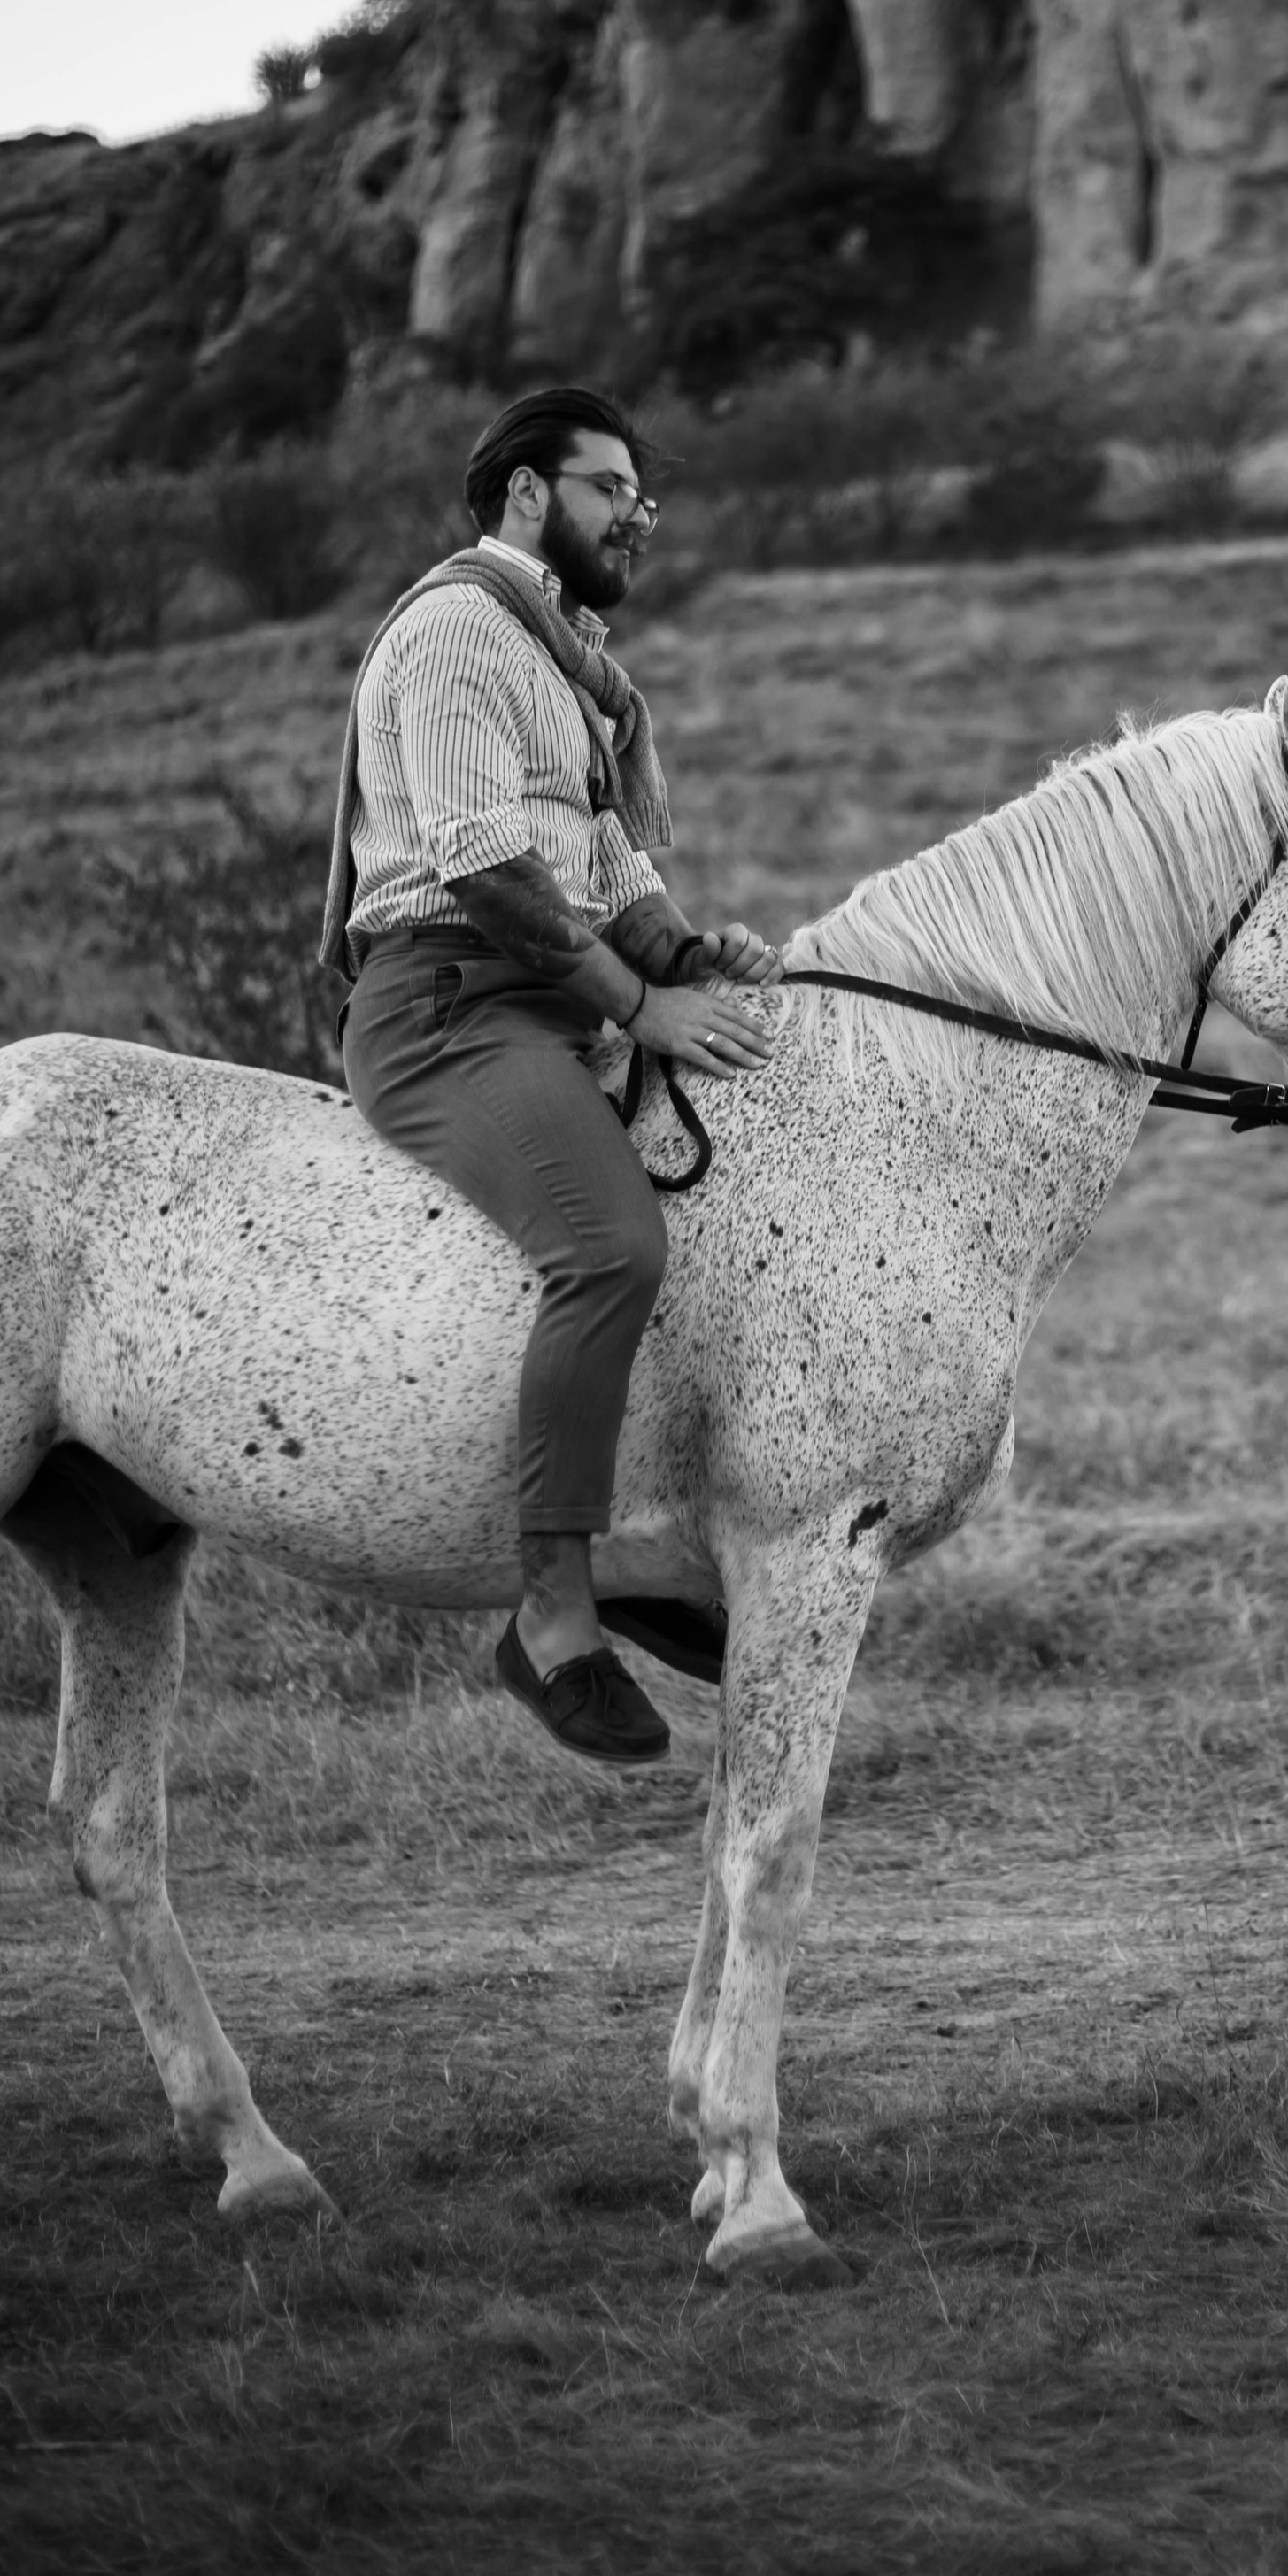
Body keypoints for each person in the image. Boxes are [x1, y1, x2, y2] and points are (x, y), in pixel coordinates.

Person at [320, 382, 783, 1765]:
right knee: (609, 1247)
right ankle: (552, 1613)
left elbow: (604, 863)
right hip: (450, 1008)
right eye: (610, 489)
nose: (639, 517)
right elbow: (482, 862)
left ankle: (639, 1555)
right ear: (527, 493)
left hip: (541, 996)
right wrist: (642, 1006)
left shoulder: (561, 653)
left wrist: (689, 955)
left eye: (645, 496)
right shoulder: (461, 629)